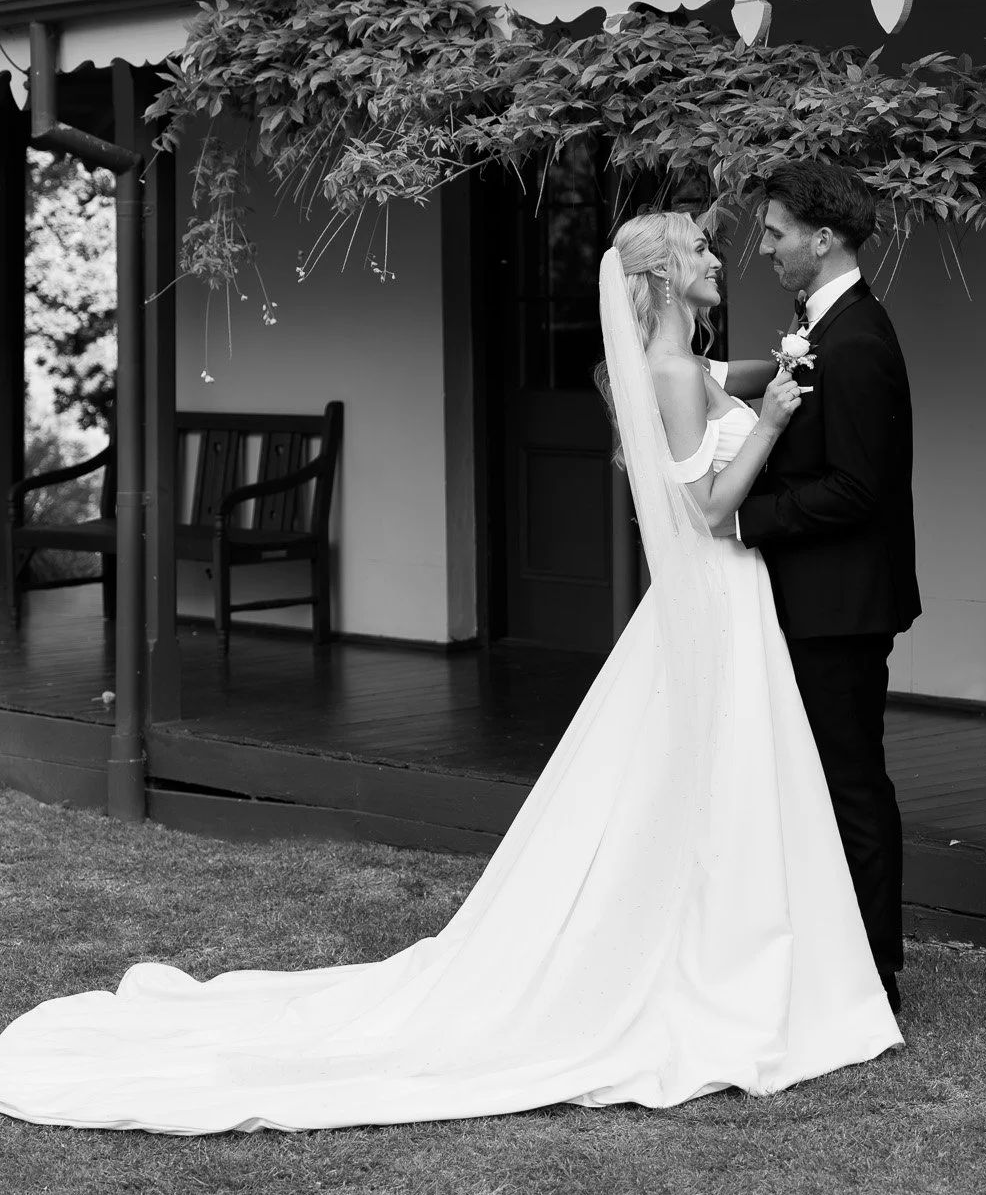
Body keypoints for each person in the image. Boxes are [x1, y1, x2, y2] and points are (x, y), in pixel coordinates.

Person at [0, 210, 899, 1134]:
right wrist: (773, 421)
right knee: (713, 771)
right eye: (701, 249)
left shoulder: (684, 369)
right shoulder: (670, 374)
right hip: (717, 588)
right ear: (665, 277)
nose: (721, 257)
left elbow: (735, 379)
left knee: (715, 774)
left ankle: (748, 945)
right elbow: (707, 507)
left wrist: (798, 361)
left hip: (728, 600)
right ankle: (716, 960)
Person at [737, 161, 919, 1014]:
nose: (764, 248)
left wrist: (742, 517)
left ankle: (873, 978)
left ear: (822, 238)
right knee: (821, 785)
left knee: (849, 786)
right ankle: (833, 957)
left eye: (775, 234)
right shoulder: (821, 324)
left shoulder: (855, 342)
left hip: (839, 605)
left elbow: (855, 489)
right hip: (816, 596)